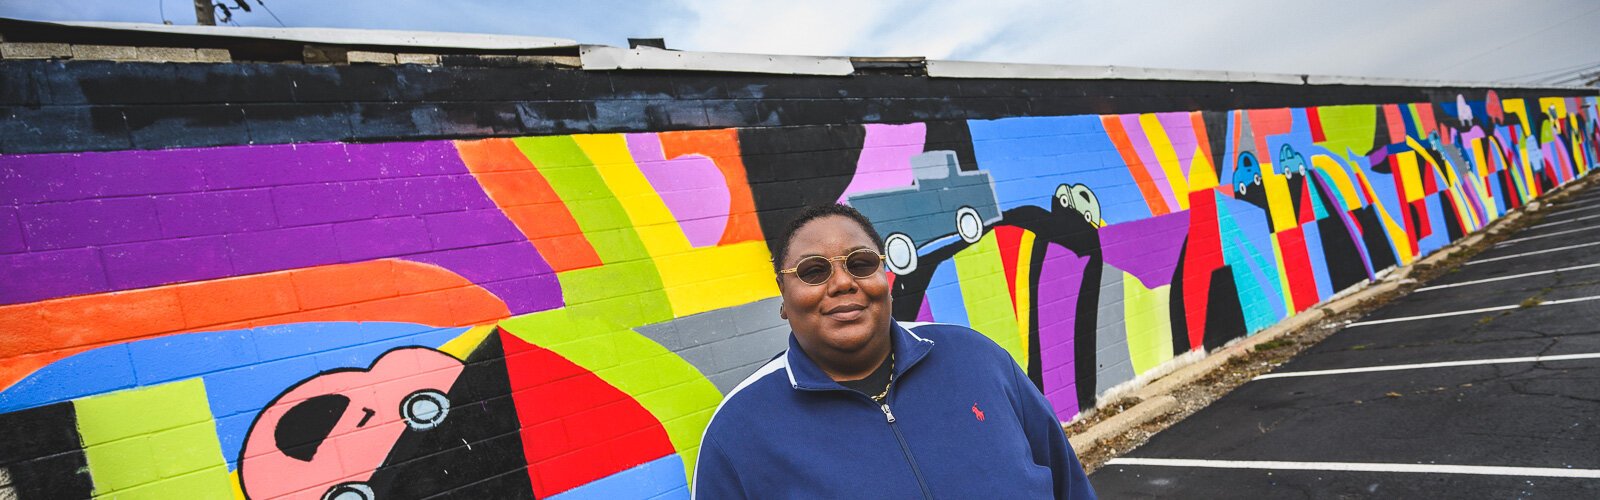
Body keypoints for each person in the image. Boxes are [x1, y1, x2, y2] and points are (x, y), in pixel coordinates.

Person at [692, 203, 1097, 499]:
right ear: (783, 298)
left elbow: (1068, 484)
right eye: (814, 271)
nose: (842, 283)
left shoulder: (977, 359)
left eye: (861, 263)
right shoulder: (738, 433)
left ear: (884, 277)